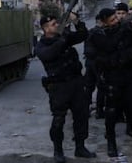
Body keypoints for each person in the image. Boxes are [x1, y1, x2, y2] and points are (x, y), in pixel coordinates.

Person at [35, 13, 96, 163]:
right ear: (45, 28)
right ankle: (58, 150)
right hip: (58, 86)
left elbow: (83, 35)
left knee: (81, 116)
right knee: (58, 120)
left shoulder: (64, 37)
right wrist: (63, 37)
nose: (56, 26)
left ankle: (80, 147)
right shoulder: (42, 45)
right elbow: (49, 55)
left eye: (57, 23)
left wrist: (76, 22)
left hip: (75, 82)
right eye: (53, 24)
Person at [89, 8, 132, 157]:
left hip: (131, 77)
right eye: (112, 20)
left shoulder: (126, 29)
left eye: (116, 18)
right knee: (111, 114)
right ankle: (111, 144)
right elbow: (108, 46)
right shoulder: (97, 34)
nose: (116, 21)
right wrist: (122, 30)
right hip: (113, 79)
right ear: (103, 22)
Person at [84, 13, 106, 119]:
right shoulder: (101, 33)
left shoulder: (90, 32)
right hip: (98, 64)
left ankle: (86, 109)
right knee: (101, 87)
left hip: (89, 63)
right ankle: (99, 110)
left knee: (89, 87)